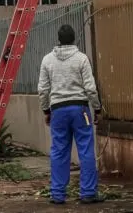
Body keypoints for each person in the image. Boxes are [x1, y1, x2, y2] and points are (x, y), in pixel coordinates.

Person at [37, 24, 103, 205]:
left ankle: (57, 194)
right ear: (74, 39)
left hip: (57, 110)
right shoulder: (82, 59)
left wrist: (46, 110)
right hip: (80, 110)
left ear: (58, 40)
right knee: (86, 150)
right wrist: (96, 109)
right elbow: (90, 88)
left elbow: (43, 90)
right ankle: (88, 193)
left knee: (58, 151)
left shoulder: (47, 60)